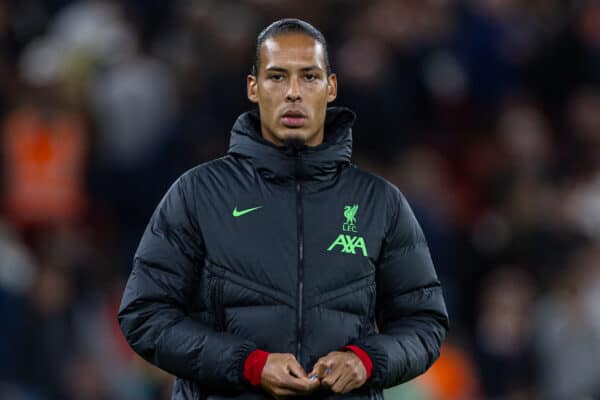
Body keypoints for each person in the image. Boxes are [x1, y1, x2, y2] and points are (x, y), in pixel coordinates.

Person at [118, 18, 449, 400]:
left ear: (331, 87)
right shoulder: (197, 193)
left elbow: (424, 323)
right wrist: (250, 365)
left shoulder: (379, 202)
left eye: (309, 77)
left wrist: (365, 360)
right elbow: (144, 316)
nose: (293, 92)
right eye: (277, 77)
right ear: (253, 88)